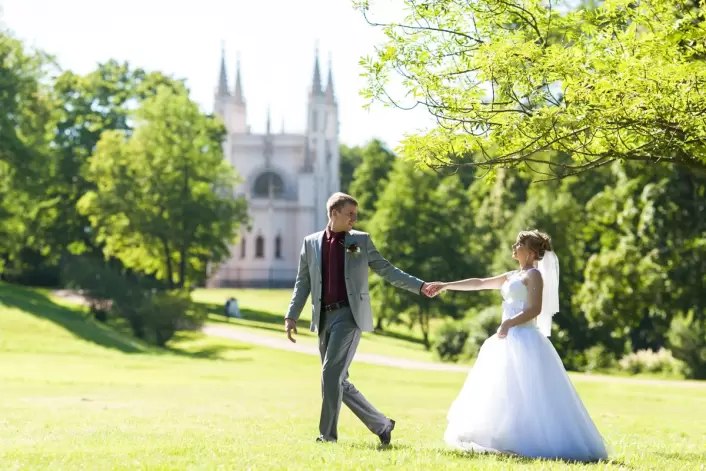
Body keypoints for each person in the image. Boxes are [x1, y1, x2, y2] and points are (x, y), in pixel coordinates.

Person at [428, 230, 609, 462]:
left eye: (519, 244)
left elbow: (535, 309)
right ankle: (501, 438)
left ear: (531, 252)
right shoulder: (514, 274)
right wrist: (445, 285)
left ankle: (532, 440)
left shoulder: (534, 275)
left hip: (525, 339)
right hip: (506, 340)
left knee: (529, 392)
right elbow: (481, 283)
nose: (514, 246)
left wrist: (509, 322)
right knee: (501, 390)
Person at [284, 192, 440, 444]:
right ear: (334, 213)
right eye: (350, 214)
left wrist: (420, 286)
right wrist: (292, 315)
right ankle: (381, 425)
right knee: (336, 379)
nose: (355, 219)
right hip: (323, 317)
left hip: (349, 316)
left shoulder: (361, 241)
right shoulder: (310, 243)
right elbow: (303, 282)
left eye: (356, 214)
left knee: (331, 375)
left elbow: (388, 270)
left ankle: (327, 437)